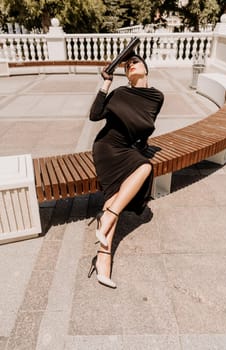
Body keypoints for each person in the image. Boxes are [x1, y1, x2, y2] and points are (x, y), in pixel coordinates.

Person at [88, 53, 164, 288]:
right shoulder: (120, 93)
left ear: (146, 68)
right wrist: (107, 82)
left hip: (128, 149)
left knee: (115, 195)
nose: (131, 65)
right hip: (107, 147)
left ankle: (103, 257)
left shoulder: (157, 97)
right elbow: (94, 116)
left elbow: (145, 124)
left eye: (135, 62)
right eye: (128, 65)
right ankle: (109, 218)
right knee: (143, 167)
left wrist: (141, 146)